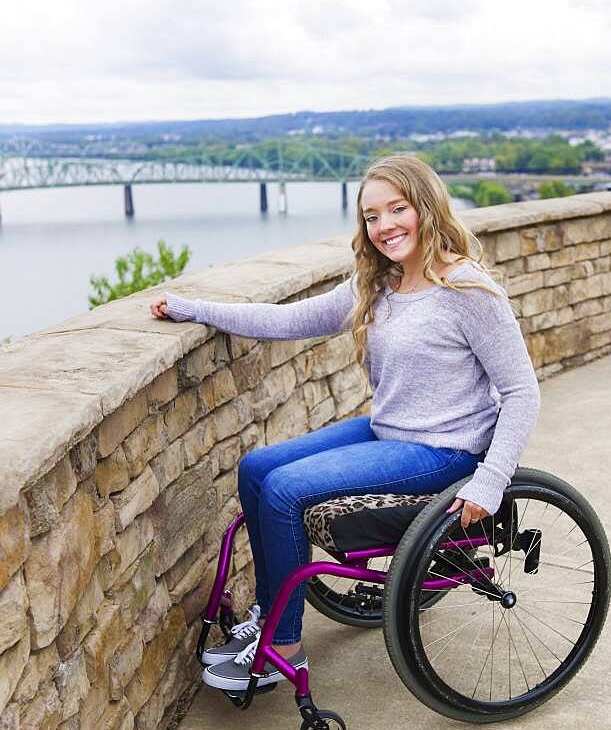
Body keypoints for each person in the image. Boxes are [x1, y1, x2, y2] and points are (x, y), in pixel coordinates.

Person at [150, 154, 540, 692]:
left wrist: (491, 482)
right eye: (372, 216)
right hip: (389, 430)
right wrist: (194, 308)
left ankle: (283, 645)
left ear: (427, 207)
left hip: (445, 449)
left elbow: (522, 392)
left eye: (397, 209)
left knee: (285, 490)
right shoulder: (379, 285)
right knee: (258, 468)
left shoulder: (468, 292)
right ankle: (269, 613)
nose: (384, 227)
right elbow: (287, 320)